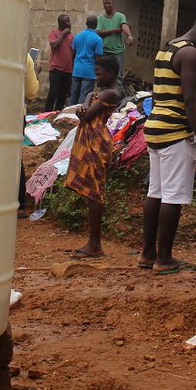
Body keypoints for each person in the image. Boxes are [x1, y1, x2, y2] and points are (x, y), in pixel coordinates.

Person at [140, 14, 196, 275]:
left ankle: (147, 254)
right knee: (173, 197)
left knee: (155, 192)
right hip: (175, 132)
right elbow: (191, 100)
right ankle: (164, 259)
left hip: (155, 128)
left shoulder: (167, 48)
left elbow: (156, 94)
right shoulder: (190, 54)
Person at [63, 55, 122, 259]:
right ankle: (93, 242)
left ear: (111, 74)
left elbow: (86, 114)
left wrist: (86, 104)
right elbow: (87, 104)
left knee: (95, 192)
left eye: (99, 74)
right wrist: (87, 101)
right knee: (91, 192)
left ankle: (95, 244)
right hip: (92, 141)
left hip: (97, 143)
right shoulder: (103, 93)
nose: (96, 77)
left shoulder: (111, 93)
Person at [19, 49, 40, 218]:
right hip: (14, 114)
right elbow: (32, 92)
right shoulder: (24, 57)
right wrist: (36, 71)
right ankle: (19, 204)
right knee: (13, 158)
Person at [96, 0, 135, 82]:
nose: (107, 5)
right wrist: (116, 30)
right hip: (104, 51)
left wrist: (129, 35)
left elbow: (124, 25)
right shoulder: (100, 18)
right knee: (103, 75)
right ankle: (105, 91)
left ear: (113, 3)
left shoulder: (120, 16)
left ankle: (118, 91)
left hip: (117, 52)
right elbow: (98, 33)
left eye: (109, 3)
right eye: (105, 3)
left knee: (117, 76)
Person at [69, 16, 104, 106]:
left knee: (73, 95)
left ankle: (68, 113)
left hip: (77, 70)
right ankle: (80, 114)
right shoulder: (98, 39)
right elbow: (98, 58)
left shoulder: (77, 36)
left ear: (86, 24)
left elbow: (73, 53)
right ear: (96, 25)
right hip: (89, 71)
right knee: (84, 98)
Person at [44, 14, 74, 113]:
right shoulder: (53, 33)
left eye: (69, 21)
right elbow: (55, 44)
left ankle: (57, 113)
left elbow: (73, 52)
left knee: (63, 94)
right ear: (60, 23)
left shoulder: (71, 36)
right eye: (67, 21)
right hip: (56, 69)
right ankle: (47, 113)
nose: (70, 23)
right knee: (53, 93)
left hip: (68, 70)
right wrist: (63, 34)